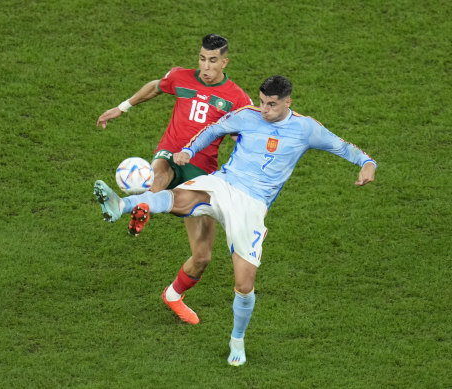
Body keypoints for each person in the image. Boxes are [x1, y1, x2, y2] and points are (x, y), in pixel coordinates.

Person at [93, 75, 377, 366]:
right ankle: (122, 204)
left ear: (288, 102)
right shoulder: (248, 115)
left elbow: (344, 147)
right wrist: (190, 150)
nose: (264, 110)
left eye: (272, 105)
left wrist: (368, 163)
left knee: (244, 284)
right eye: (262, 102)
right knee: (181, 198)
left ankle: (237, 340)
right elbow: (214, 129)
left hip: (252, 206)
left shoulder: (306, 129)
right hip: (223, 184)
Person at [96, 34, 253, 325]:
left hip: (202, 172)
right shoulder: (181, 77)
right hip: (170, 153)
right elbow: (155, 87)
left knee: (203, 257)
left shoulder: (237, 98)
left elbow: (247, 135)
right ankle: (127, 206)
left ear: (225, 62)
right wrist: (122, 107)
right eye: (202, 59)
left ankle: (173, 295)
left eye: (213, 61)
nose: (206, 66)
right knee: (159, 173)